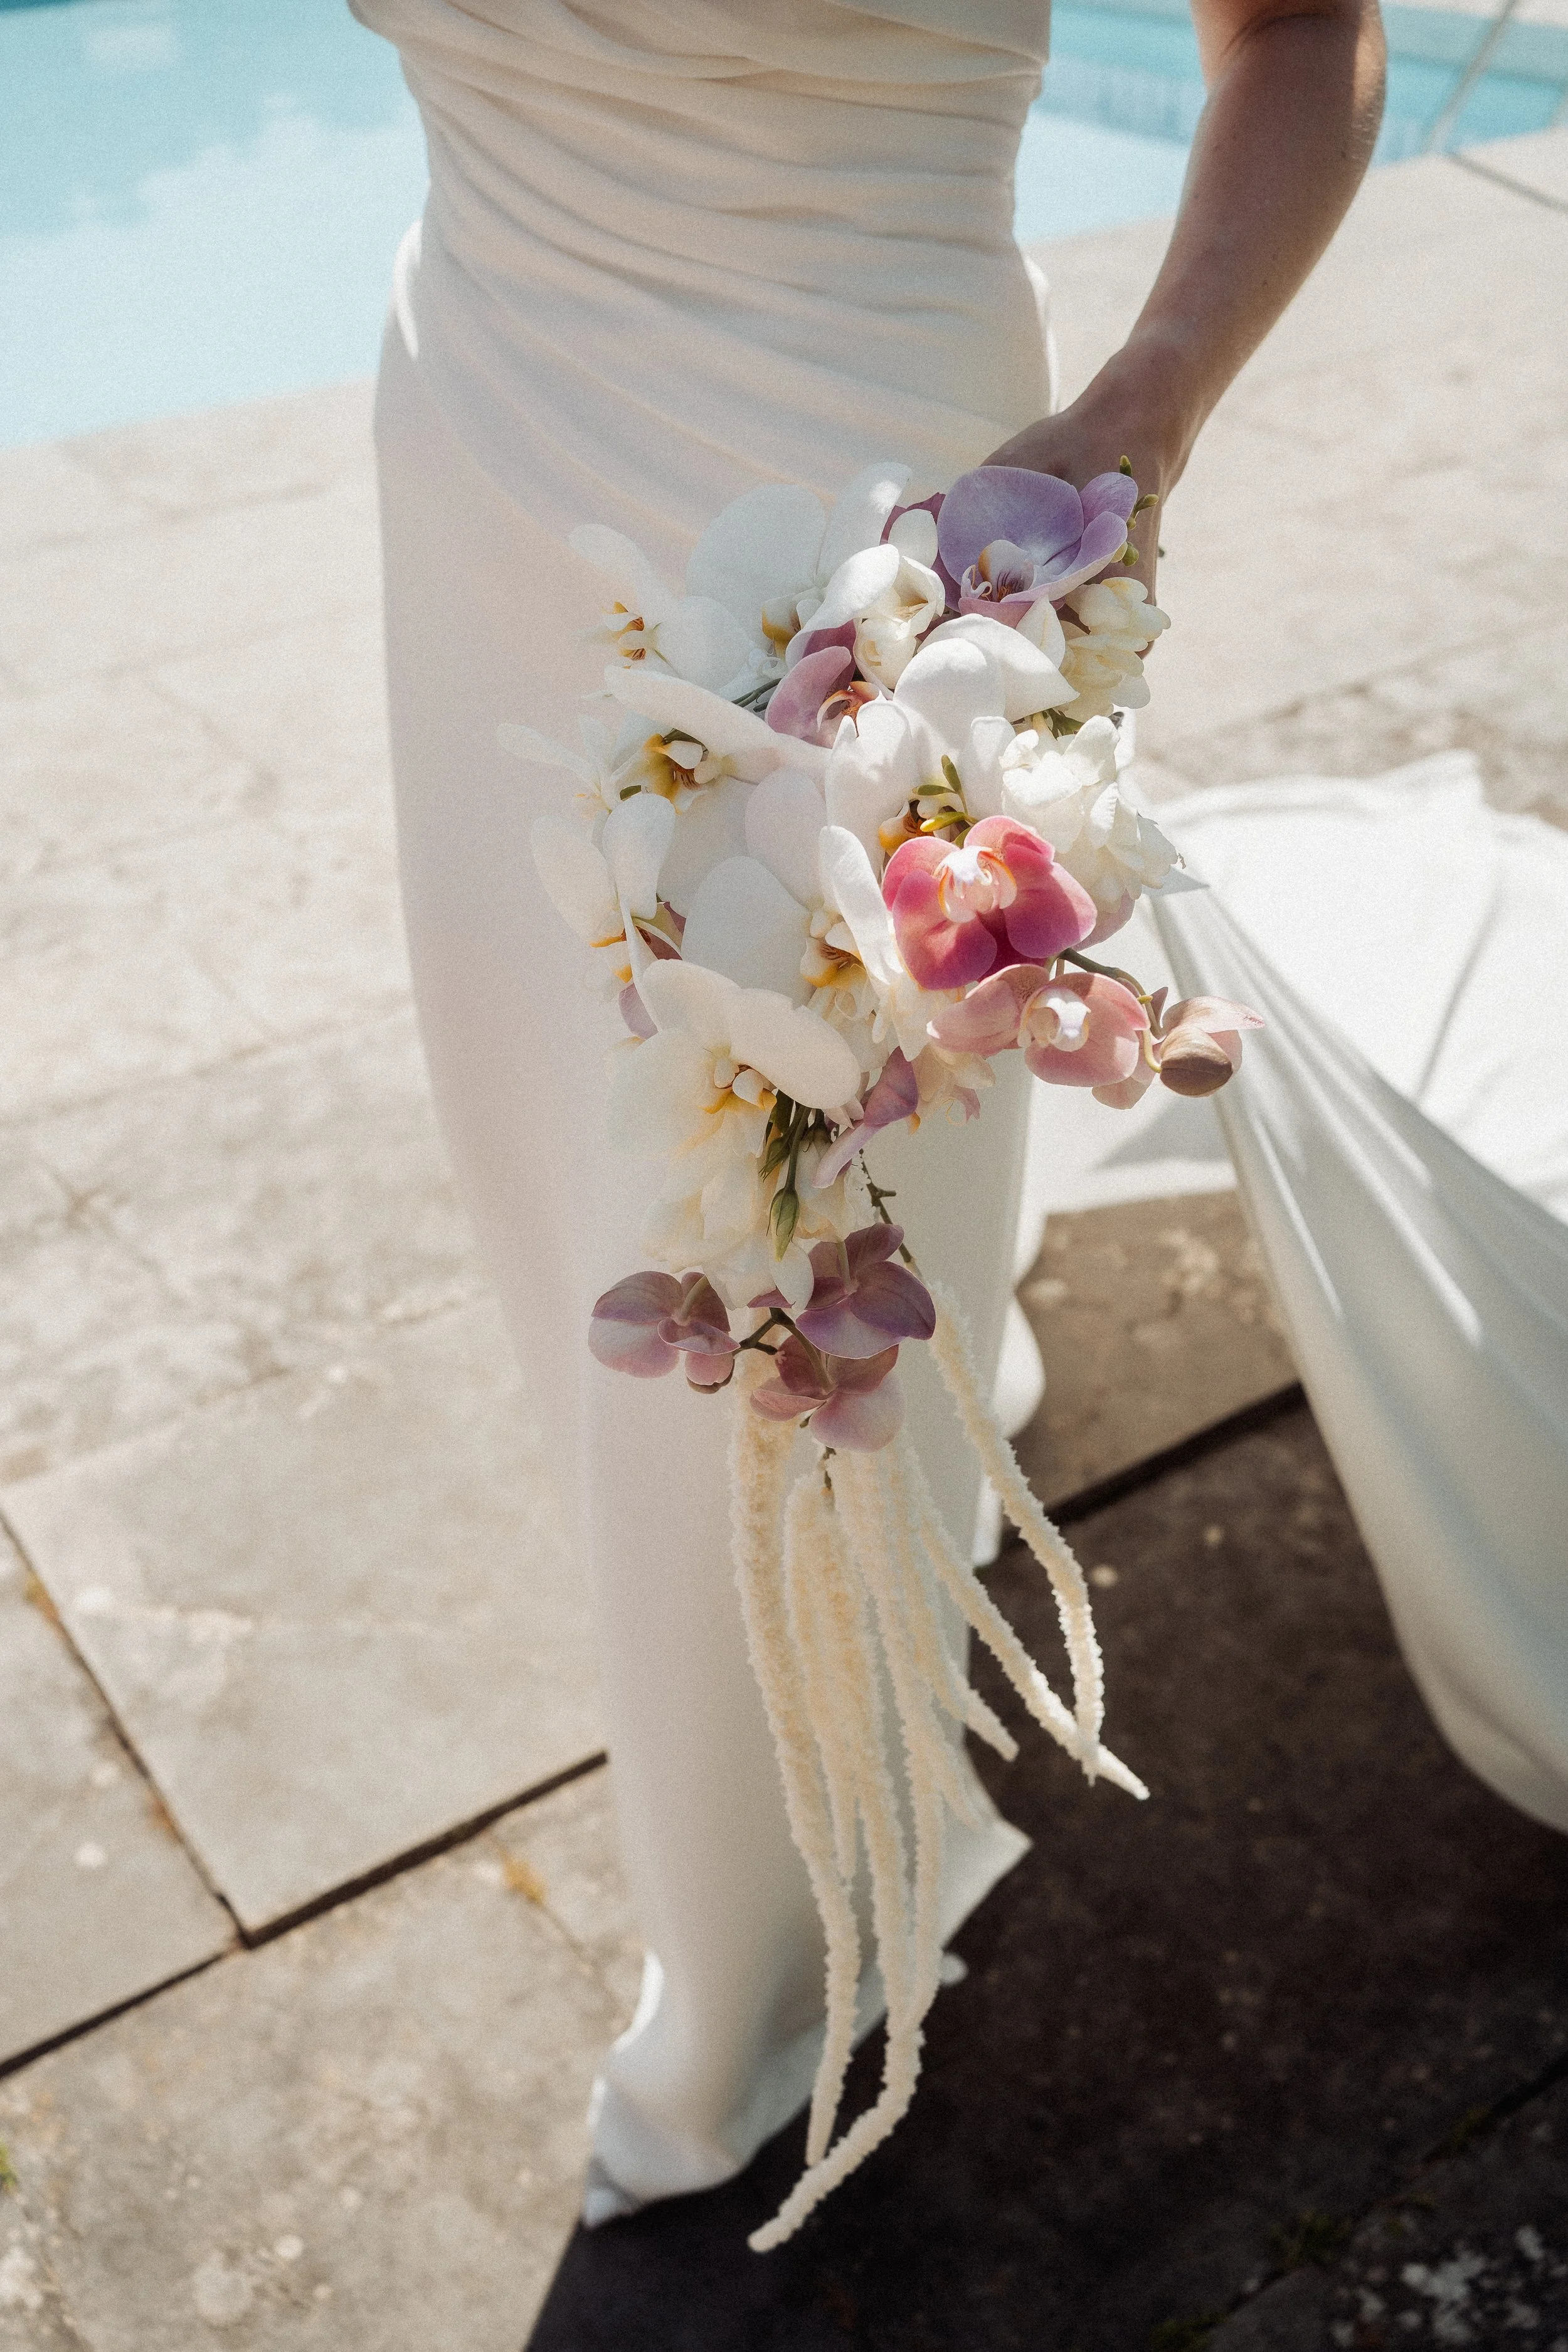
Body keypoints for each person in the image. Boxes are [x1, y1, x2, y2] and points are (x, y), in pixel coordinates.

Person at [354, 0, 1386, 2220]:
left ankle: (772, 1957)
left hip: (857, 506)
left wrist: (1143, 408)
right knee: (566, 1180)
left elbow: (1296, 23)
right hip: (481, 455)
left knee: (775, 1268)